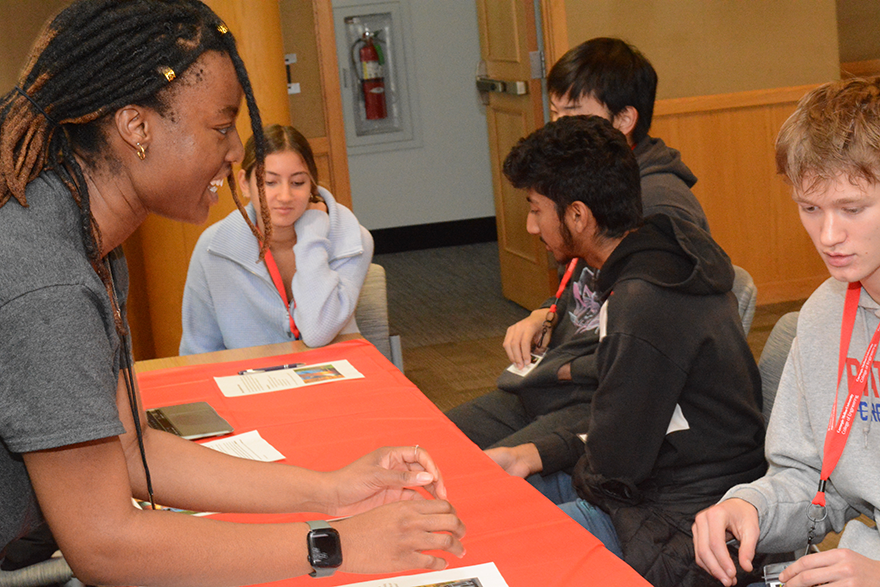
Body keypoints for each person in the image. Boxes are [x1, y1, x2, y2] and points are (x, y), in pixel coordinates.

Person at [0, 2, 464, 584]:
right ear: (136, 127)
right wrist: (336, 545)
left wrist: (333, 492)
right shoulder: (48, 280)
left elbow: (127, 449)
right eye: (221, 127)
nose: (234, 151)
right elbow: (106, 545)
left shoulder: (88, 240)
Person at [485, 115, 766, 587]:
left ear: (578, 215)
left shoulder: (641, 302)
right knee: (505, 492)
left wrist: (554, 459)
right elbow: (626, 417)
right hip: (672, 482)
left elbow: (616, 465)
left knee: (509, 546)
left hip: (682, 518)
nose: (532, 226)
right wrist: (532, 454)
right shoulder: (662, 253)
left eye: (536, 209)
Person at [446, 37, 711, 483]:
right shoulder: (586, 185)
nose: (558, 126)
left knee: (477, 482)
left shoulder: (660, 206)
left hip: (594, 395)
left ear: (624, 119)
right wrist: (544, 313)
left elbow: (657, 338)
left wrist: (568, 367)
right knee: (435, 441)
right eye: (555, 113)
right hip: (551, 380)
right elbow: (589, 297)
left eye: (573, 113)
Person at [693, 78, 880, 587]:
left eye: (853, 208)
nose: (828, 236)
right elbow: (814, 481)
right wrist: (750, 505)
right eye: (810, 208)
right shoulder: (825, 315)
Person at [180, 124, 373, 354]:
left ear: (312, 182)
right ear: (244, 183)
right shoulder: (214, 249)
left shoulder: (351, 240)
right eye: (270, 182)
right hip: (250, 383)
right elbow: (198, 350)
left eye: (298, 183)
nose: (285, 196)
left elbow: (317, 331)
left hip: (333, 376)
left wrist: (313, 232)